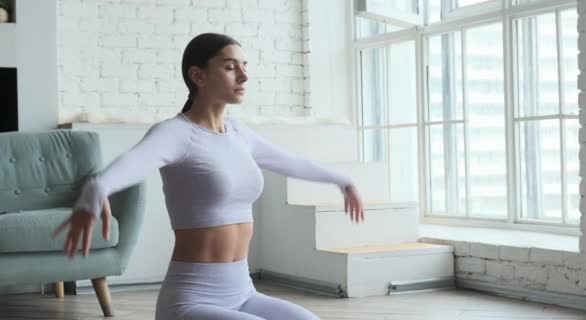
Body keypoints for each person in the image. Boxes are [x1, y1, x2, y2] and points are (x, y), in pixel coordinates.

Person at [53, 33, 364, 320]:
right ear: (197, 75)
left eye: (244, 66)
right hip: (191, 301)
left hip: (243, 293)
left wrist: (342, 181)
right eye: (230, 67)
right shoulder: (176, 133)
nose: (244, 75)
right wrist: (95, 191)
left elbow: (289, 162)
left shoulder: (240, 133)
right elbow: (130, 164)